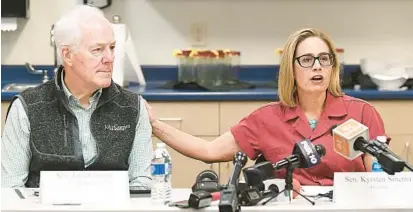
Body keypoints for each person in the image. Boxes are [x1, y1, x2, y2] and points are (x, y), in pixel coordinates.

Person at [144, 28, 387, 186]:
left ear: (333, 67)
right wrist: (155, 125)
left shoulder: (361, 113)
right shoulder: (267, 118)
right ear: (291, 69)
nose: (317, 67)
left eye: (324, 59)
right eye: (306, 60)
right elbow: (210, 151)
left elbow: (379, 180)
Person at [1, 5, 153, 189]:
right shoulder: (27, 107)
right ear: (67, 55)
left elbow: (141, 186)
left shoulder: (133, 108)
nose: (109, 58)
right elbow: (9, 189)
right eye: (97, 50)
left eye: (112, 48)